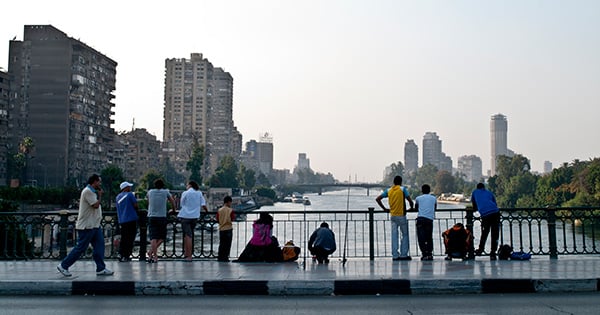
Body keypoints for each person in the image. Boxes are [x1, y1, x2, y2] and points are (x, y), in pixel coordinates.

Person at [57, 174, 113, 277]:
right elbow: (95, 205)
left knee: (99, 246)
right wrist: (100, 195)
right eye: (99, 182)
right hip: (87, 226)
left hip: (95, 225)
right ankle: (64, 265)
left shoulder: (92, 192)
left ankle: (101, 268)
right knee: (81, 248)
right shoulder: (87, 191)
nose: (100, 184)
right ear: (94, 182)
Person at [376, 175, 414, 261]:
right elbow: (410, 201)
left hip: (393, 216)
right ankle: (404, 254)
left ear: (394, 182)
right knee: (404, 235)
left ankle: (395, 255)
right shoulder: (403, 189)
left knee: (394, 235)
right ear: (400, 182)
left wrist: (385, 208)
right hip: (401, 215)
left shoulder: (389, 190)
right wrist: (411, 208)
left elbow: (378, 199)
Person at [146, 179, 176, 263]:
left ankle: (153, 256)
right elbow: (172, 201)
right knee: (162, 237)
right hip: (162, 216)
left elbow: (148, 202)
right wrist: (173, 209)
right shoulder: (165, 192)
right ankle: (152, 253)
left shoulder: (150, 192)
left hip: (151, 216)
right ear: (163, 185)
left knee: (153, 237)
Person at [177, 180, 208, 261]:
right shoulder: (199, 193)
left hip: (185, 216)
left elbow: (182, 204)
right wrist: (206, 211)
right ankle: (187, 254)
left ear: (190, 185)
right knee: (190, 235)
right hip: (195, 216)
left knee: (188, 236)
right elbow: (203, 205)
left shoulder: (185, 193)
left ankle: (188, 255)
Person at [471, 182, 500, 260]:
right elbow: (495, 203)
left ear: (477, 188)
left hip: (485, 215)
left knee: (485, 233)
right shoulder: (489, 192)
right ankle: (493, 253)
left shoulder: (474, 192)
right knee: (495, 234)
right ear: (484, 188)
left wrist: (477, 209)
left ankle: (480, 250)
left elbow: (474, 205)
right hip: (495, 213)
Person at [115, 181, 139, 262]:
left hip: (122, 220)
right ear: (125, 188)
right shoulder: (130, 195)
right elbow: (135, 205)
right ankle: (127, 255)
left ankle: (120, 253)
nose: (130, 188)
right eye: (129, 186)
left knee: (124, 238)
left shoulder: (118, 197)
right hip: (131, 219)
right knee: (130, 238)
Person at [414, 184, 436, 261]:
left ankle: (424, 254)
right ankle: (429, 253)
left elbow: (416, 208)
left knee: (421, 238)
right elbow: (435, 207)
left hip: (420, 219)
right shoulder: (434, 198)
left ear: (422, 190)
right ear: (429, 191)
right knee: (429, 237)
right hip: (429, 220)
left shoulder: (418, 198)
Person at [216, 195, 235, 262]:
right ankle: (225, 257)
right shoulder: (230, 210)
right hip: (228, 228)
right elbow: (232, 218)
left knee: (222, 244)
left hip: (221, 229)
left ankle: (220, 257)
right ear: (228, 202)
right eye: (230, 202)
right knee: (227, 244)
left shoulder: (219, 210)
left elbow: (217, 219)